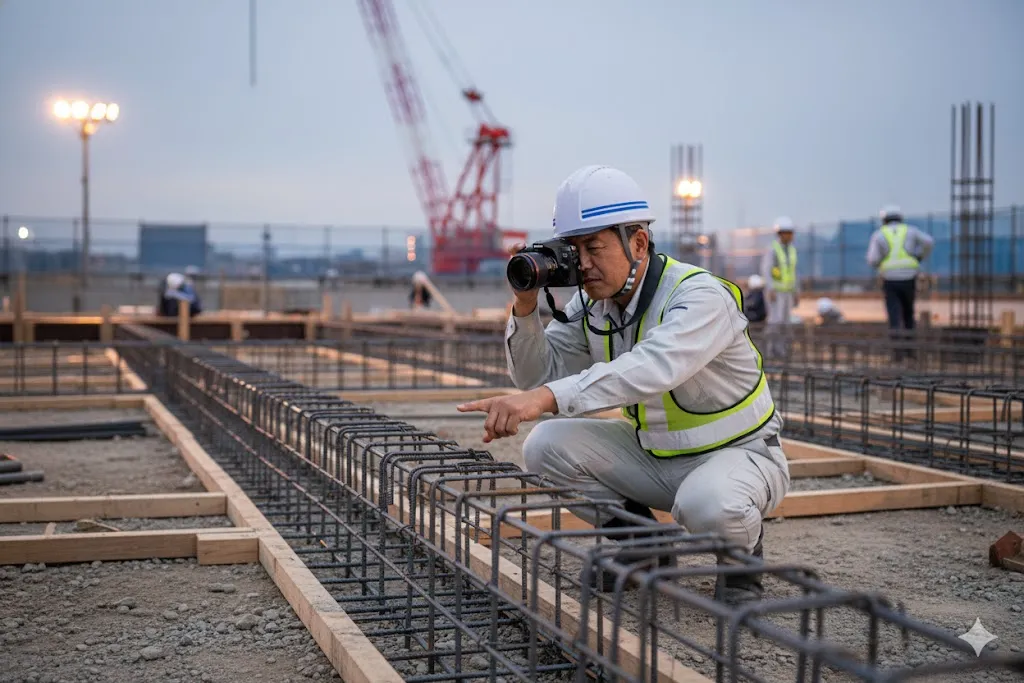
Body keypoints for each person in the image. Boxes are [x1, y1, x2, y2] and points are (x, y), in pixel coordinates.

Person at [456, 165, 790, 605]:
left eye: (594, 247)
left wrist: (546, 398)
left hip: (737, 455)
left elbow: (652, 367)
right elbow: (537, 375)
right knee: (545, 446)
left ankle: (742, 567)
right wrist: (525, 303)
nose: (583, 264)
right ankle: (644, 545)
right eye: (573, 250)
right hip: (656, 455)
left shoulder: (698, 296)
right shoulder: (592, 304)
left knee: (709, 504)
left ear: (638, 242)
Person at [866, 205, 934, 360]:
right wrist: (918, 256)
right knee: (909, 313)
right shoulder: (910, 231)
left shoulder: (879, 234)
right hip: (909, 277)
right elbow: (929, 242)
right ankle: (911, 352)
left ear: (884, 219)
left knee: (894, 315)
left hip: (890, 279)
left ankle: (897, 354)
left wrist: (882, 263)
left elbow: (872, 259)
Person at [760, 217, 799, 358]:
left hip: (787, 292)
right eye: (787, 233)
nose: (790, 236)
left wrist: (796, 292)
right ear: (780, 234)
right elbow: (766, 269)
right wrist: (770, 288)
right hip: (775, 292)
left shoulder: (792, 250)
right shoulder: (773, 249)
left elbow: (793, 272)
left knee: (785, 323)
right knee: (775, 322)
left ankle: (781, 351)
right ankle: (769, 350)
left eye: (791, 233)